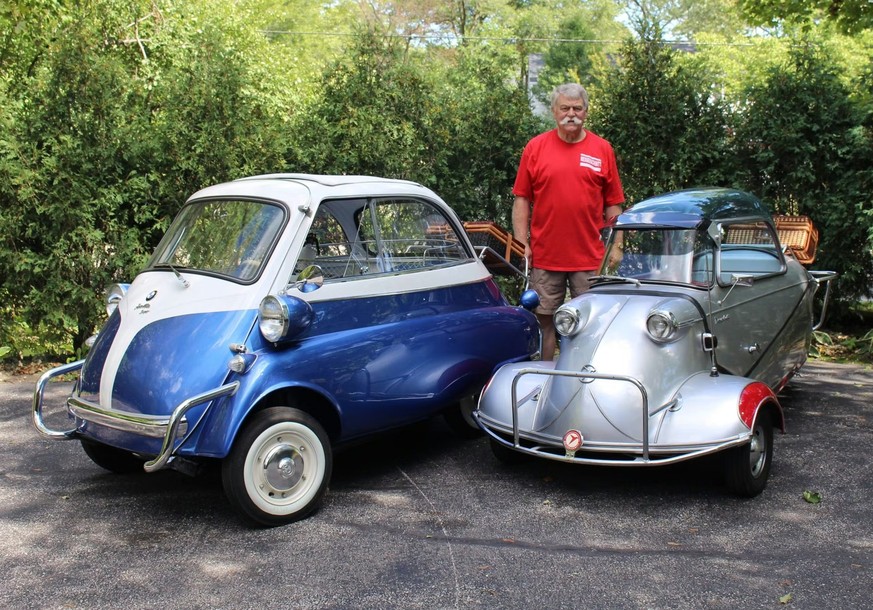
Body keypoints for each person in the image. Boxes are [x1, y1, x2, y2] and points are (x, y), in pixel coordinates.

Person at [512, 83, 625, 360]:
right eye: (565, 108)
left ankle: (585, 379)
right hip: (546, 255)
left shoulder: (602, 149)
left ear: (586, 112)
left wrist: (617, 244)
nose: (571, 114)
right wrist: (521, 243)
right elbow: (522, 199)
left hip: (590, 258)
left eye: (577, 108)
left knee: (592, 324)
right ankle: (544, 377)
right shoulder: (536, 148)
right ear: (554, 111)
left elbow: (613, 203)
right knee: (544, 322)